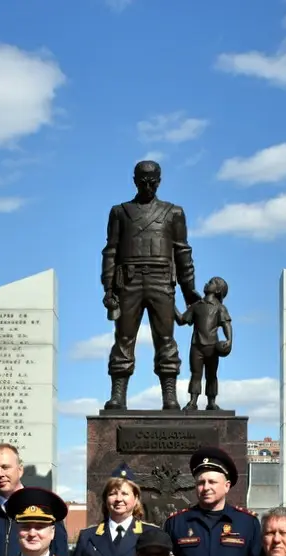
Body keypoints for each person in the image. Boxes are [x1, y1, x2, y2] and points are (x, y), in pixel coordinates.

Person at [101, 159, 199, 411]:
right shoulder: (120, 212)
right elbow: (111, 251)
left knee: (166, 339)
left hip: (162, 280)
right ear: (134, 181)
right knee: (123, 339)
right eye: (143, 182)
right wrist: (109, 288)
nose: (147, 186)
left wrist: (189, 291)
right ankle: (118, 396)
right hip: (128, 282)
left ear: (159, 181)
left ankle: (170, 396)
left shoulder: (173, 212)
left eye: (152, 182)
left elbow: (183, 252)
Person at [176, 276, 232, 411]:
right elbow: (181, 320)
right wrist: (170, 303)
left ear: (217, 290)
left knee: (211, 375)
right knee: (196, 374)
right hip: (196, 346)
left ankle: (211, 402)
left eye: (212, 282)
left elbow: (226, 324)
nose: (207, 283)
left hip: (212, 347)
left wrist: (229, 340)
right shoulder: (197, 306)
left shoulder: (220, 308)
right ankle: (193, 401)